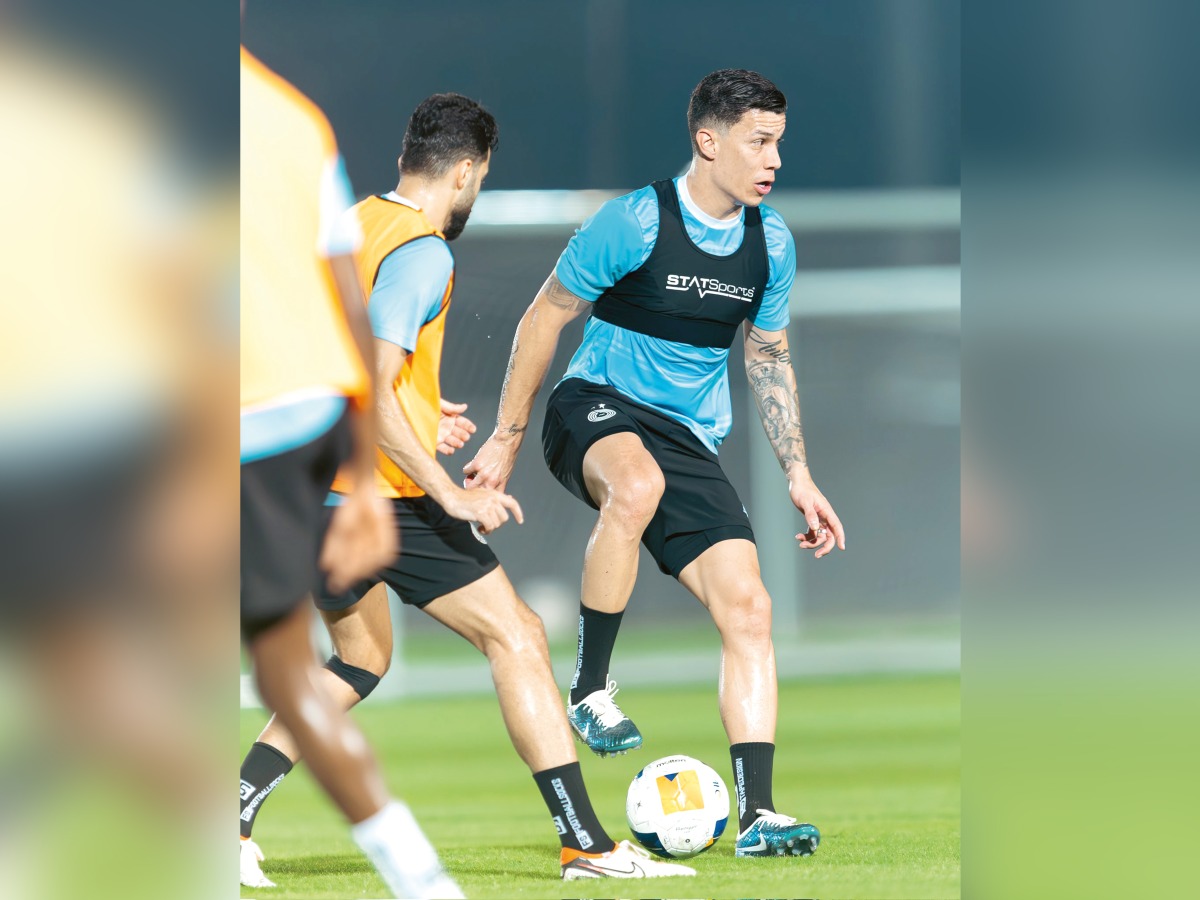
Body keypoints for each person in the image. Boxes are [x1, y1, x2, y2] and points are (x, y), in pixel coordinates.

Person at [237, 92, 695, 883]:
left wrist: (421, 409)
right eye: (480, 178)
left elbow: (349, 365)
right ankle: (585, 841)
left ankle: (230, 814)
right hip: (377, 496)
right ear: (468, 170)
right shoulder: (424, 251)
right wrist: (449, 491)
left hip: (306, 488)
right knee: (515, 634)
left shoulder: (356, 224)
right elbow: (375, 390)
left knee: (360, 659)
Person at [463, 68, 847, 859]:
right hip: (592, 406)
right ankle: (591, 689)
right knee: (636, 484)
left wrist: (798, 475)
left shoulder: (771, 243)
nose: (774, 159)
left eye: (779, 142)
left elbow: (769, 358)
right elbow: (544, 318)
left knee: (750, 609)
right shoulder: (633, 222)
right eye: (759, 142)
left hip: (685, 436)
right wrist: (506, 435)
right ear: (709, 141)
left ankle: (759, 818)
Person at [239, 47, 462, 897]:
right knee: (316, 665)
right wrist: (367, 472)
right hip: (286, 426)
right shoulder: (294, 119)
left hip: (255, 426)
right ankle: (422, 879)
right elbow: (345, 305)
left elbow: (342, 302)